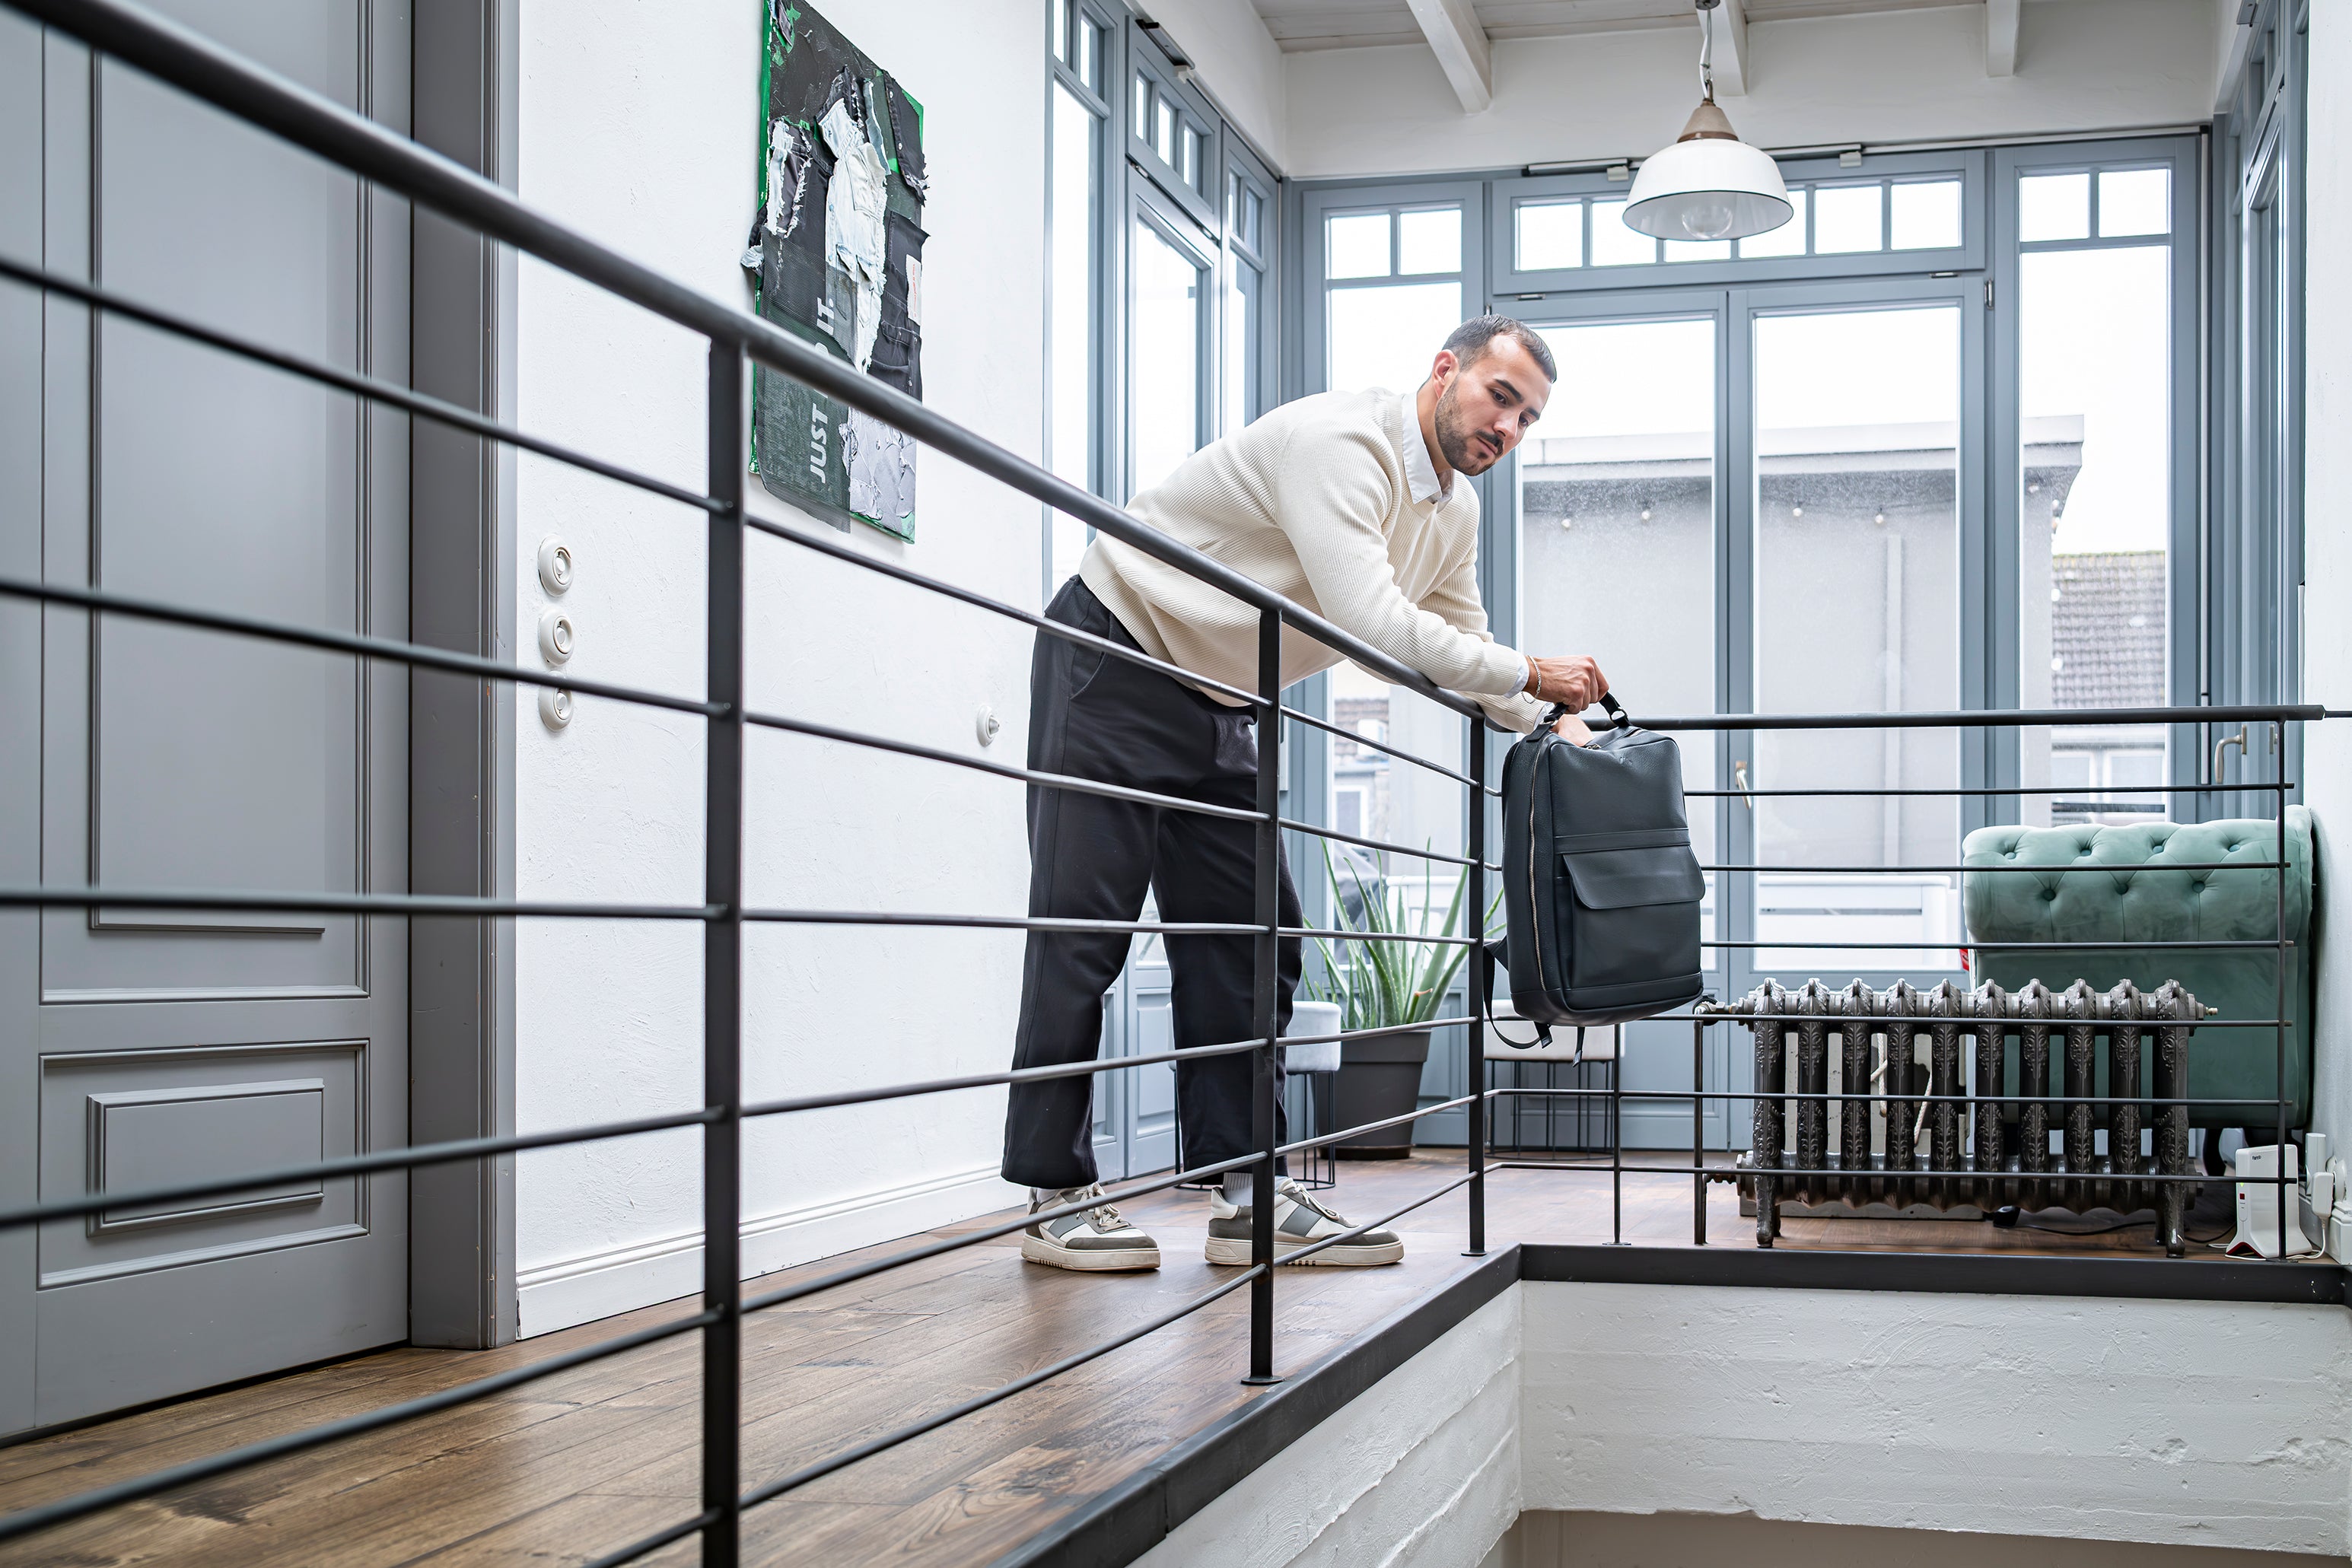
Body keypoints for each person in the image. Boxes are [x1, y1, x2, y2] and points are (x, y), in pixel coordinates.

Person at [1007, 315, 1607, 1271]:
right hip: (1116, 650)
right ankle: (1052, 1193)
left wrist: (1547, 721)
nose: (1508, 429)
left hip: (1219, 695)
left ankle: (1247, 1194)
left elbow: (1462, 645)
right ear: (1445, 370)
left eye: (1528, 419)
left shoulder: (1452, 512)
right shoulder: (1344, 444)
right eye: (1500, 397)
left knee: (1257, 939)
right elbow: (1373, 620)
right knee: (1085, 932)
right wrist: (1534, 674)